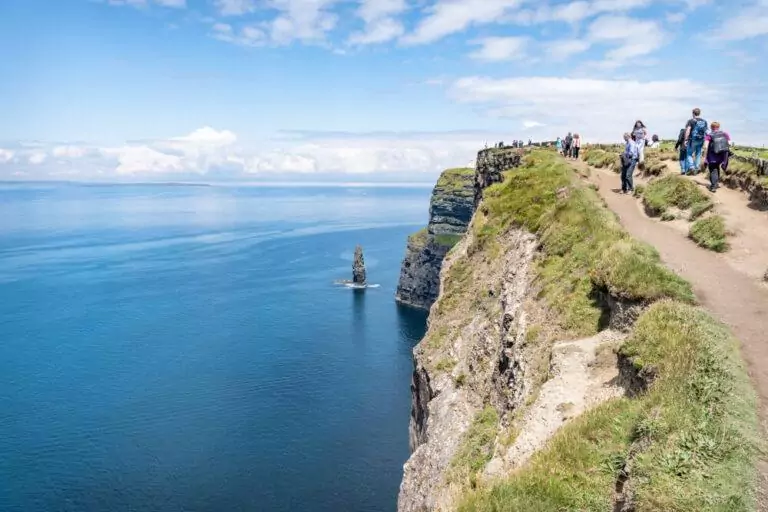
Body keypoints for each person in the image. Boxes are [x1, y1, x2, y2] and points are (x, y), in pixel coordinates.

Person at [702, 121, 731, 192]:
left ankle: (713, 186)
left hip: (712, 155)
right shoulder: (725, 134)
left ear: (711, 127)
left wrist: (704, 156)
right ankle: (716, 183)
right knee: (717, 167)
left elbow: (705, 146)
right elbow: (730, 144)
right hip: (722, 155)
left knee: (713, 169)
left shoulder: (709, 135)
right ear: (718, 127)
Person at [683, 107, 708, 175]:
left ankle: (692, 167)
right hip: (701, 139)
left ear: (693, 113)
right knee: (698, 154)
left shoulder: (691, 121)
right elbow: (706, 131)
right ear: (699, 113)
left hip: (692, 140)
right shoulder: (704, 121)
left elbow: (688, 130)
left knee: (689, 153)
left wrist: (685, 139)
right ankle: (697, 167)